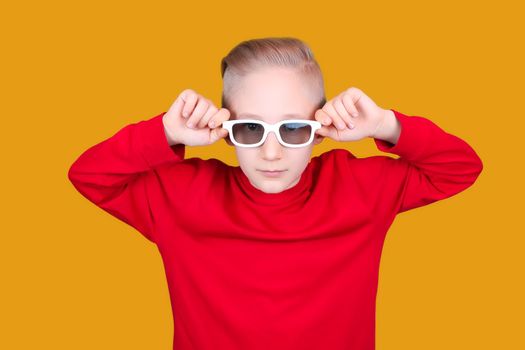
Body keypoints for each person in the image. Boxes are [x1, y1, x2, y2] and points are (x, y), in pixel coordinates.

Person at [68, 37, 483, 350]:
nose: (271, 152)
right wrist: (164, 132)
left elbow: (460, 168)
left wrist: (385, 125)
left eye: (293, 128)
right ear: (225, 132)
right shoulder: (178, 196)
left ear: (321, 130)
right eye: (249, 128)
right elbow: (89, 175)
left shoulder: (361, 189)